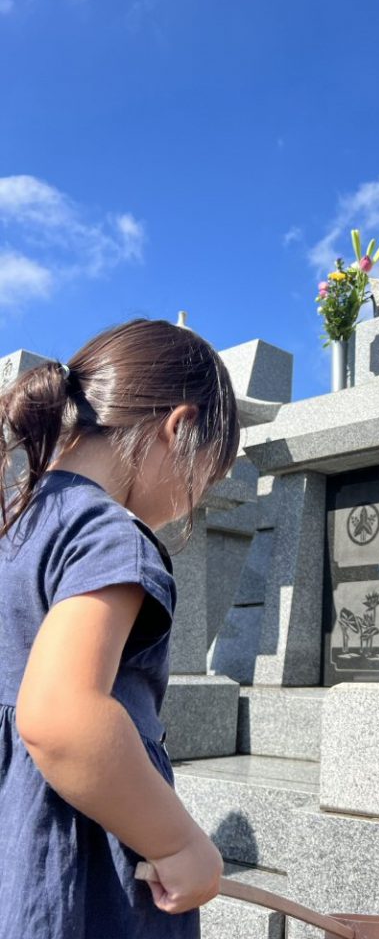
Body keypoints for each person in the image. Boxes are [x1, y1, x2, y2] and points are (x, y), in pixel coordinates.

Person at [0, 318, 241, 938]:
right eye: (206, 477)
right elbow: (59, 715)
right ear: (180, 428)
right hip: (74, 858)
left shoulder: (17, 524)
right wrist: (182, 843)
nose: (193, 501)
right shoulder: (108, 537)